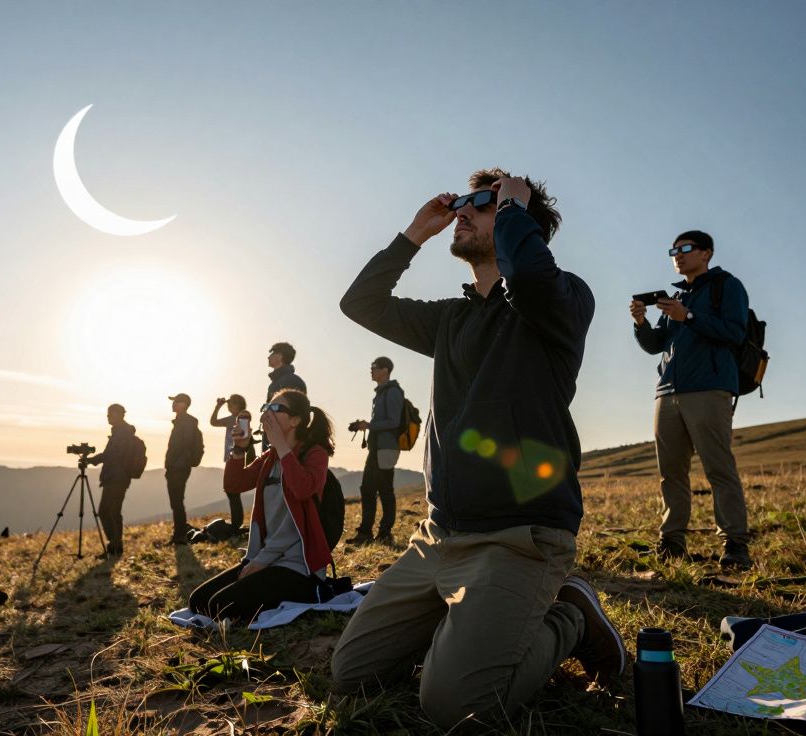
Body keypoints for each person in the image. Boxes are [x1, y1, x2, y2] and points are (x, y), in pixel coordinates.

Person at [331, 168, 624, 729]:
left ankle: (570, 617)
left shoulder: (560, 302)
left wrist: (515, 206)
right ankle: (471, 622)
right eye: (461, 203)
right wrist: (415, 232)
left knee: (453, 709)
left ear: (521, 221)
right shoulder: (450, 318)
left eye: (482, 204)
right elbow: (360, 303)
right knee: (353, 674)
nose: (462, 211)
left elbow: (533, 280)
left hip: (519, 538)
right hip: (438, 537)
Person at [631, 230, 752, 570]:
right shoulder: (673, 297)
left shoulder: (726, 286)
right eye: (674, 250)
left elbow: (734, 332)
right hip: (667, 391)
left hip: (709, 387)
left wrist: (691, 317)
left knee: (718, 468)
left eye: (686, 249)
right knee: (670, 472)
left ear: (707, 253)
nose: (678, 255)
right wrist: (641, 322)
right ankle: (672, 542)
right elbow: (656, 345)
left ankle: (735, 544)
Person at [187, 389, 335, 622]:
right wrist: (239, 449)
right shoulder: (270, 457)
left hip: (299, 566)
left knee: (218, 606)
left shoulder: (314, 454)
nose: (267, 412)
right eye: (266, 407)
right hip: (266, 558)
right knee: (197, 601)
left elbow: (303, 489)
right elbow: (234, 484)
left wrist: (282, 447)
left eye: (275, 408)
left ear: (295, 420)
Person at [346, 356, 404, 545]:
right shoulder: (380, 393)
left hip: (386, 449)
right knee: (369, 489)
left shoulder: (393, 392)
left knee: (384, 490)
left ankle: (383, 533)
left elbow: (394, 421)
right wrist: (366, 425)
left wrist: (369, 425)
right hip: (377, 448)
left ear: (385, 370)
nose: (371, 370)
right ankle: (368, 533)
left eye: (374, 367)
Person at [85, 403, 134, 558]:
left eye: (110, 414)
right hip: (117, 477)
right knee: (110, 511)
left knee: (109, 511)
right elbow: (111, 454)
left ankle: (115, 547)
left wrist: (92, 460)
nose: (107, 417)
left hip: (116, 477)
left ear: (118, 415)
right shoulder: (121, 431)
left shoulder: (122, 433)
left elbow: (111, 455)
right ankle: (114, 546)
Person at [164, 393, 204, 545]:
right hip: (178, 466)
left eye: (176, 401)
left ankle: (180, 536)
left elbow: (182, 445)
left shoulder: (186, 422)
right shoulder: (182, 422)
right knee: (176, 501)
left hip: (178, 467)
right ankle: (179, 534)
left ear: (184, 405)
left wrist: (171, 463)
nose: (173, 404)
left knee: (177, 501)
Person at [210, 394, 254, 528]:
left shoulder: (241, 417)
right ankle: (237, 523)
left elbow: (244, 436)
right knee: (233, 491)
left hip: (237, 457)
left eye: (230, 403)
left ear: (237, 404)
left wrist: (237, 452)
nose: (228, 406)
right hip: (234, 457)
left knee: (232, 490)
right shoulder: (234, 418)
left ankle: (236, 525)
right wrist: (218, 406)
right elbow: (213, 422)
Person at [264, 342, 308, 451]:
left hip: (284, 444)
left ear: (280, 356)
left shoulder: (292, 381)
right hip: (275, 439)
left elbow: (294, 414)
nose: (268, 357)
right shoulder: (276, 383)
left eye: (272, 354)